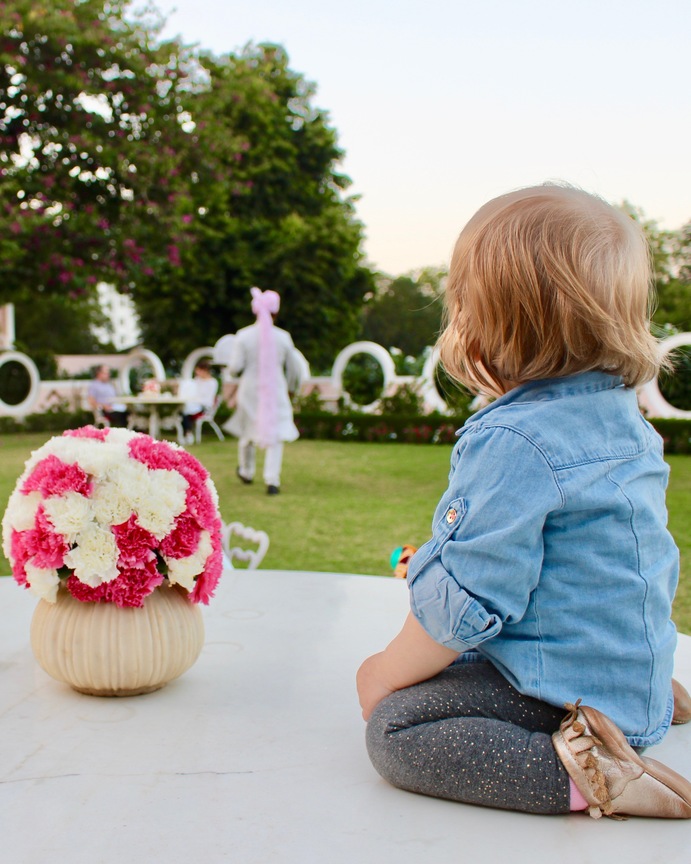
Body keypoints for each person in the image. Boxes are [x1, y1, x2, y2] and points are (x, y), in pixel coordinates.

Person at [356, 184, 691, 820]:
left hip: (565, 693)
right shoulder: (621, 419)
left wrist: (383, 672)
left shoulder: (515, 441)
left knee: (395, 728)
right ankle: (637, 696)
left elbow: (467, 602)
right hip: (626, 671)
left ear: (495, 322)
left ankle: (598, 772)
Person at [224, 287, 302, 495]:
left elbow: (234, 368)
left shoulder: (243, 336)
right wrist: (293, 389)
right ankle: (272, 479)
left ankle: (247, 471)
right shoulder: (284, 337)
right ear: (276, 312)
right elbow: (294, 370)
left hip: (249, 390)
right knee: (275, 435)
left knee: (248, 431)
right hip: (276, 390)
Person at [181, 360, 219, 445]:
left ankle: (188, 433)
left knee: (187, 410)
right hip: (194, 403)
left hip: (205, 406)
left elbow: (208, 398)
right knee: (185, 409)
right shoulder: (197, 380)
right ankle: (187, 433)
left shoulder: (212, 382)